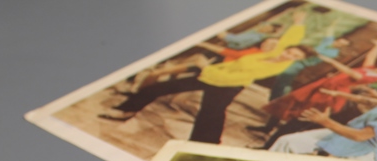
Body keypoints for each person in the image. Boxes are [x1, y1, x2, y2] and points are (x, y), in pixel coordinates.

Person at [98, 15, 312, 144]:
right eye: (291, 52)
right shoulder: (274, 52)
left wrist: (205, 67)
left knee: (211, 112)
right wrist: (299, 22)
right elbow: (290, 38)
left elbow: (235, 73)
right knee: (162, 88)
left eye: (294, 57)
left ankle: (204, 144)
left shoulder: (276, 64)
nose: (289, 55)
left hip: (226, 83)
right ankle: (125, 110)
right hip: (212, 76)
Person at [258, 36, 377, 146]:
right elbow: (375, 58)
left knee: (300, 121)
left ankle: (275, 144)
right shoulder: (370, 68)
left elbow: (350, 73)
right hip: (320, 90)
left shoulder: (373, 77)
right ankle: (273, 137)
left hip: (329, 97)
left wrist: (332, 62)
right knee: (291, 111)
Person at [268, 81, 377, 161]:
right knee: (288, 141)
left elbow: (361, 137)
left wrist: (325, 121)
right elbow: (375, 103)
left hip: (365, 151)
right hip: (350, 134)